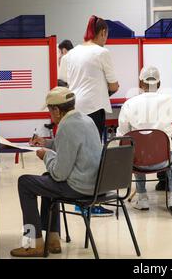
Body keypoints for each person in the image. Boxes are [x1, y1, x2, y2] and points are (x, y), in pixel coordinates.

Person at [10, 87, 103, 257]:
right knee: (46, 180)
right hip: (96, 185)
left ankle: (34, 243)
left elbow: (60, 174)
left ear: (57, 110)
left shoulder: (66, 126)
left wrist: (46, 156)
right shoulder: (86, 120)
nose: (49, 115)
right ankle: (53, 240)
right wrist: (46, 143)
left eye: (50, 110)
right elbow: (72, 145)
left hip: (79, 188)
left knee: (25, 182)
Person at [116, 66, 172, 211]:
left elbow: (121, 135)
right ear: (159, 84)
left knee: (135, 149)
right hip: (163, 160)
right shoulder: (169, 101)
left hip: (138, 163)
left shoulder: (129, 104)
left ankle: (142, 197)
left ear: (140, 84)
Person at [61, 15, 119, 140]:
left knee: (76, 145)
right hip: (94, 108)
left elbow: (65, 81)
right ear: (103, 32)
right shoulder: (102, 52)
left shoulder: (72, 53)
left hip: (74, 107)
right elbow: (114, 85)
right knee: (93, 148)